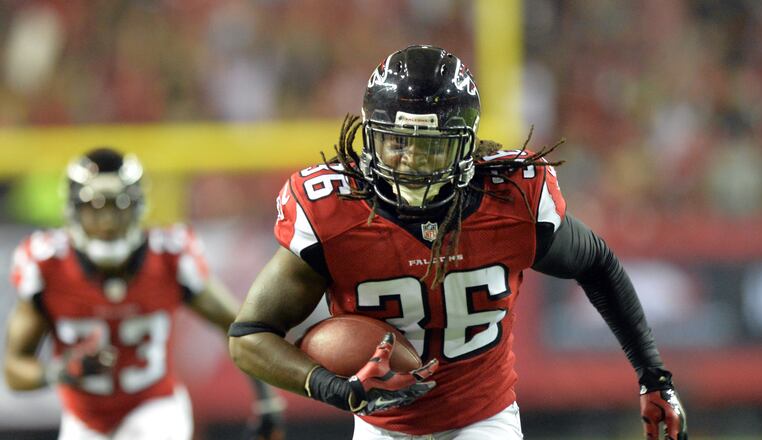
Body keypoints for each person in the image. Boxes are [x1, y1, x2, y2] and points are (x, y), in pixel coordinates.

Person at [228, 45, 688, 439]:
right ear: (369, 138)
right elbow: (249, 336)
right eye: (397, 143)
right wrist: (330, 386)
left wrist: (654, 376)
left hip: (483, 419)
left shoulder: (512, 201)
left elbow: (597, 264)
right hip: (383, 426)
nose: (411, 163)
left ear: (466, 147)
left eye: (431, 147)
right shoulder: (333, 213)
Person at [4, 147, 285, 440]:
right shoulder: (47, 265)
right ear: (74, 210)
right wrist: (58, 372)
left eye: (119, 205)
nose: (109, 222)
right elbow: (14, 369)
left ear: (137, 207)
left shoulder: (169, 256)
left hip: (156, 408)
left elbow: (241, 329)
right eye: (96, 207)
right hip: (83, 421)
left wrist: (268, 402)